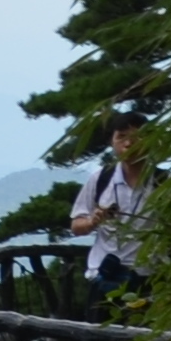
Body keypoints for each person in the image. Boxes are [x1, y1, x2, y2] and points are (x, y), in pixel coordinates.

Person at [69, 106, 153, 294]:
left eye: (137, 137)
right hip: (104, 277)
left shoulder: (162, 182)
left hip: (149, 277)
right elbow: (76, 225)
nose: (129, 143)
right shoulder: (101, 179)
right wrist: (93, 221)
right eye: (121, 136)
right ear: (112, 142)